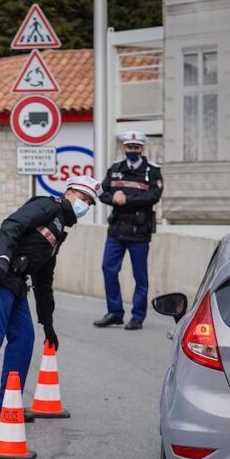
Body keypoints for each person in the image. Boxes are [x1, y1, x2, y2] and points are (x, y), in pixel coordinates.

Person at [0, 176, 102, 426]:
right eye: (82, 198)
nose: (84, 204)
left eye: (89, 202)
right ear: (69, 193)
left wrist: (48, 323)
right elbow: (12, 225)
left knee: (25, 338)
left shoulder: (60, 228)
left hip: (16, 282)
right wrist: (4, 258)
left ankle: (9, 402)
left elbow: (44, 279)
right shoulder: (48, 205)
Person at [93, 131, 164, 331]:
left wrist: (128, 200)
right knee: (108, 269)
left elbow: (154, 196)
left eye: (136, 147)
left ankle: (137, 317)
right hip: (116, 230)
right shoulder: (115, 169)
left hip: (139, 232)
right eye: (129, 147)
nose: (132, 150)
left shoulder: (152, 171)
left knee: (139, 276)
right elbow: (102, 192)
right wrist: (113, 199)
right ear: (124, 148)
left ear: (142, 149)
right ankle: (115, 312)